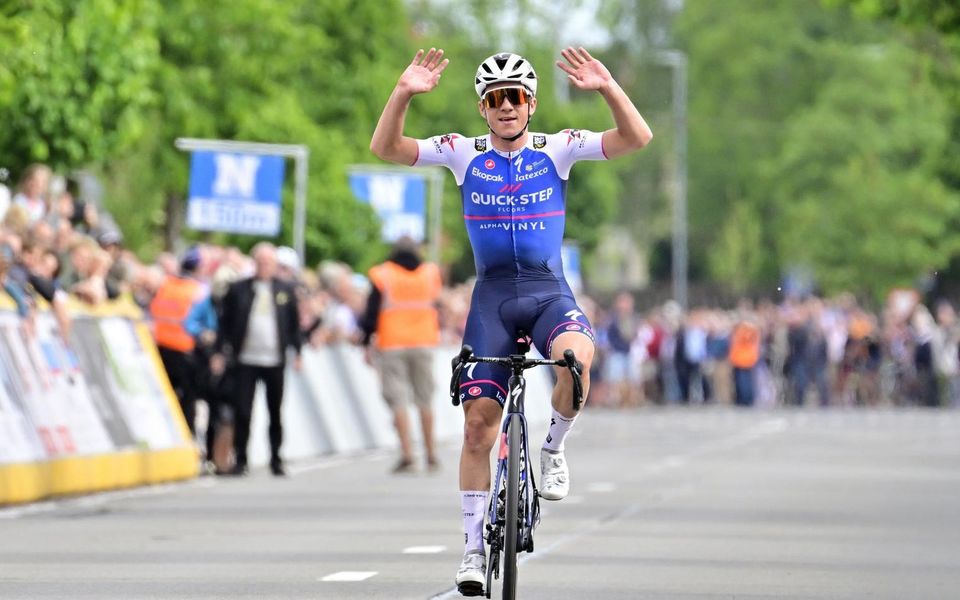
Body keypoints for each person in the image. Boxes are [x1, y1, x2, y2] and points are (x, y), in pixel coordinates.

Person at [370, 46, 652, 594]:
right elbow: (386, 147)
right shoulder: (461, 152)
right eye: (495, 98)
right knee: (477, 425)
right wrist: (402, 92)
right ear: (482, 107)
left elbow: (636, 138)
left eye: (515, 97)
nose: (505, 106)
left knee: (576, 359)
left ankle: (551, 448)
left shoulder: (560, 148)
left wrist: (609, 86)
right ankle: (473, 551)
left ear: (531, 103)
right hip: (493, 299)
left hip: (548, 293)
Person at [211, 242, 302, 476]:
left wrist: (297, 352)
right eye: (260, 262)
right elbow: (225, 323)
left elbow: (293, 325)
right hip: (246, 359)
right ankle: (241, 458)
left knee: (275, 410)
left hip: (274, 359)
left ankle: (276, 458)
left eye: (269, 263)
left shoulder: (285, 290)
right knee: (243, 411)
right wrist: (220, 351)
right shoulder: (239, 289)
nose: (264, 267)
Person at [359, 237, 443, 474]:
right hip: (424, 341)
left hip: (392, 342)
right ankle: (431, 453)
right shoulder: (430, 273)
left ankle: (407, 454)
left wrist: (366, 341)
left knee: (398, 400)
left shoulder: (383, 274)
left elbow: (372, 312)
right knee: (425, 399)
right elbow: (437, 303)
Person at [149, 246, 217, 436]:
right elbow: (209, 323)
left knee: (164, 396)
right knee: (188, 399)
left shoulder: (166, 284)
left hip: (160, 348)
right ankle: (187, 436)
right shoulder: (200, 290)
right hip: (186, 351)